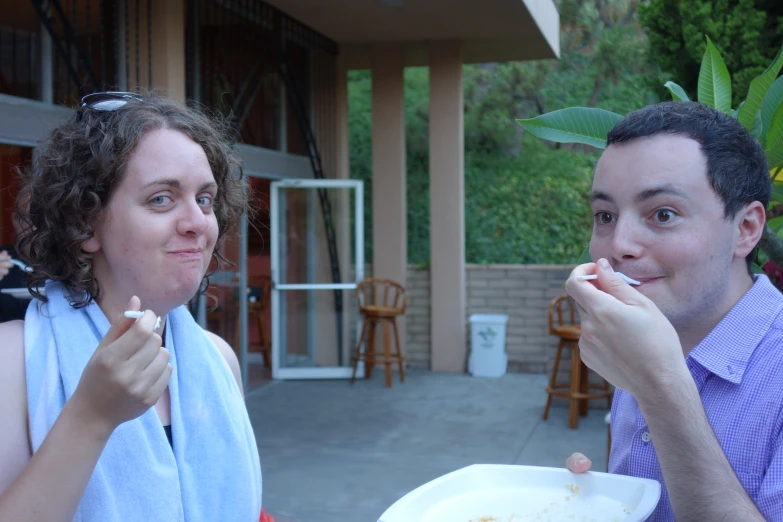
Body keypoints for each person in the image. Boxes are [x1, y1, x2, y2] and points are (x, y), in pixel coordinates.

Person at [0, 92, 262, 521]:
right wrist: (91, 416)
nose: (197, 223)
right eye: (161, 198)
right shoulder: (12, 362)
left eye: (205, 199)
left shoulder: (220, 359)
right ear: (85, 223)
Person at [562, 100, 780, 521]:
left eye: (663, 213)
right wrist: (596, 500)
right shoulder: (645, 335)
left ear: (746, 229)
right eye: (605, 215)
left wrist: (658, 385)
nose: (619, 244)